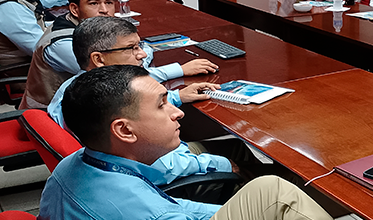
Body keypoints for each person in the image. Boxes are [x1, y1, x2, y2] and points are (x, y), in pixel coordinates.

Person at [39, 64, 334, 220]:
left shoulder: (71, 166)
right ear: (125, 131)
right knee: (273, 190)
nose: (177, 112)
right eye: (161, 105)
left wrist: (217, 212)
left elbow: (170, 203)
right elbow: (163, 211)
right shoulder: (152, 213)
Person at [48, 16, 223, 185]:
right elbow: (161, 167)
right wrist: (222, 165)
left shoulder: (75, 87)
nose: (142, 55)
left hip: (128, 169)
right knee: (238, 152)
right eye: (131, 48)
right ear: (99, 59)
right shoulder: (93, 107)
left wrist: (176, 96)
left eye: (139, 46)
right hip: (157, 173)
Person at [19, 0, 117, 109]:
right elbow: (113, 76)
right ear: (74, 9)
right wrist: (145, 52)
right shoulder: (62, 44)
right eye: (94, 3)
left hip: (85, 102)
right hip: (50, 116)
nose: (104, 10)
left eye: (109, 2)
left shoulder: (90, 26)